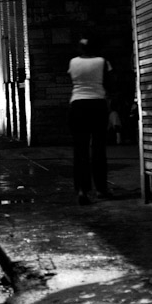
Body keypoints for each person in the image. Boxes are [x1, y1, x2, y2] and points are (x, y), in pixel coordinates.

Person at [68, 38, 113, 205]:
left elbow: (72, 80)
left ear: (80, 49)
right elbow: (109, 83)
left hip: (77, 105)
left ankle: (82, 190)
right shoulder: (102, 62)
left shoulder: (73, 62)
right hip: (97, 104)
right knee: (99, 148)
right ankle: (101, 188)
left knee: (80, 149)